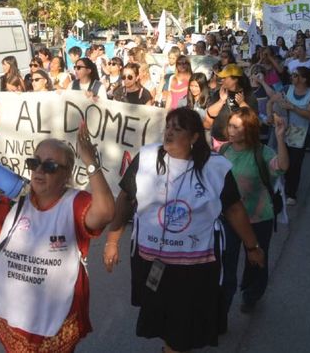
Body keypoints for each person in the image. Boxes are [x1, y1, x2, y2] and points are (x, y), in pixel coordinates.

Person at [103, 108, 264, 353]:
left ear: (194, 137)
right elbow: (125, 198)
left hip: (195, 266)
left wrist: (252, 247)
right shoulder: (146, 158)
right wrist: (112, 241)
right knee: (166, 321)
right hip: (151, 260)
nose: (169, 132)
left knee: (183, 327)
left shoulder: (215, 167)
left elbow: (234, 210)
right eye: (168, 126)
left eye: (177, 129)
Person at [0, 123, 114, 352]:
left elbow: (106, 212)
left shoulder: (76, 203)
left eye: (49, 166)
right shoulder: (16, 199)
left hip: (57, 319)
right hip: (14, 317)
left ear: (66, 174)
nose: (39, 170)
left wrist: (90, 162)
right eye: (34, 163)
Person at [220, 108, 288, 324]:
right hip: (228, 219)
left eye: (236, 127)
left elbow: (283, 167)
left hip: (258, 219)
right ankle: (222, 309)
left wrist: (279, 137)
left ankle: (251, 295)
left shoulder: (262, 153)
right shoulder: (223, 151)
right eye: (230, 125)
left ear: (248, 129)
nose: (231, 130)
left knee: (256, 260)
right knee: (226, 261)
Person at [267, 66, 310, 207]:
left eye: (296, 75)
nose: (292, 77)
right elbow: (272, 101)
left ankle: (291, 192)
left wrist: (292, 107)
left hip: (300, 133)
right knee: (281, 159)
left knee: (295, 164)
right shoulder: (286, 89)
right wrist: (272, 115)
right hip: (283, 131)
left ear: (304, 79)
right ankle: (280, 188)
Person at [205, 64, 258, 151]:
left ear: (235, 79)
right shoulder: (220, 93)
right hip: (218, 141)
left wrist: (242, 103)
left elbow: (254, 119)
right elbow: (209, 114)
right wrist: (221, 101)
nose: (222, 79)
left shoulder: (248, 94)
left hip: (240, 143)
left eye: (225, 77)